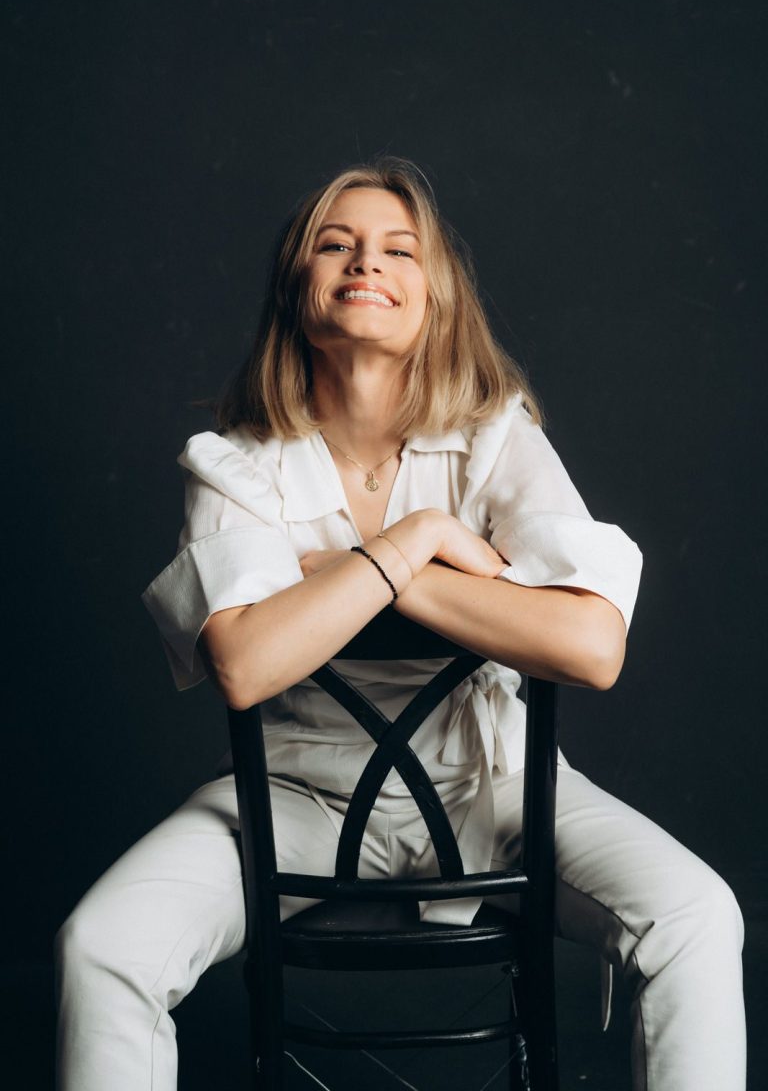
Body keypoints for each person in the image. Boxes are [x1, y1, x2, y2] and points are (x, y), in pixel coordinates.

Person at [56, 158, 746, 1091]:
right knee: (101, 947)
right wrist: (421, 542)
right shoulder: (235, 464)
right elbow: (244, 665)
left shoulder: (497, 437)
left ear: (435, 295)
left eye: (397, 249)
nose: (365, 262)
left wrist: (370, 577)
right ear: (296, 288)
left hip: (495, 786)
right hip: (295, 795)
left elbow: (592, 646)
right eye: (334, 245)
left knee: (697, 915)